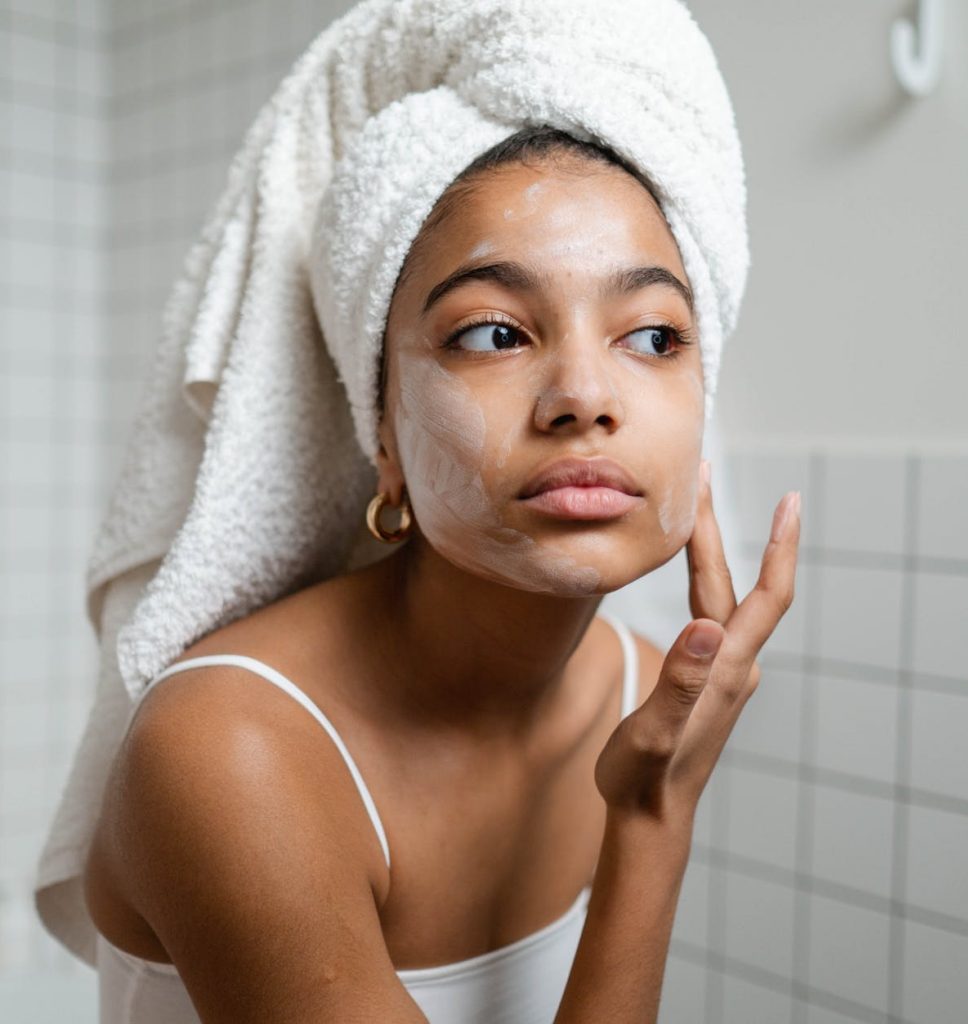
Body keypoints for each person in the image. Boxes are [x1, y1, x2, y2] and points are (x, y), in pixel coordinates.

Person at [80, 121, 801, 1023]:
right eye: (496, 333)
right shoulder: (229, 751)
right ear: (383, 436)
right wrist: (652, 822)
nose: (585, 394)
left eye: (654, 338)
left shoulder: (652, 694)